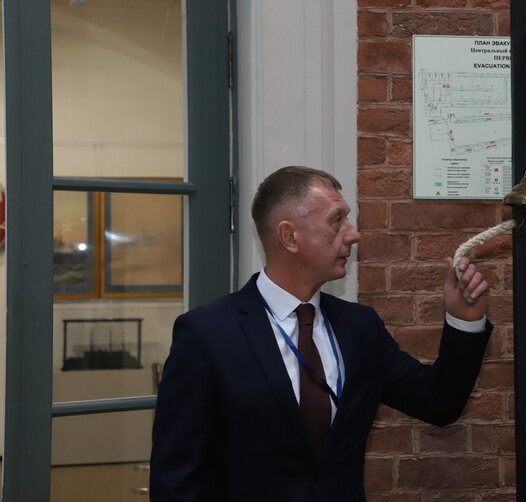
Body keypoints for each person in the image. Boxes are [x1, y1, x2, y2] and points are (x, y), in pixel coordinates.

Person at [150, 166, 493, 501]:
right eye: (336, 220)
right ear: (289, 237)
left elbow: (438, 404)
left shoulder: (360, 327)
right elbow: (175, 480)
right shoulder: (207, 334)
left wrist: (464, 322)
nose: (353, 234)